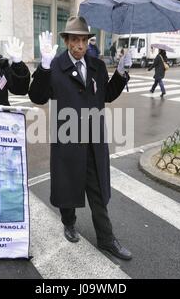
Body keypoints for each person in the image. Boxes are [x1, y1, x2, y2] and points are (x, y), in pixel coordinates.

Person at [29, 16, 133, 261]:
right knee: (68, 186)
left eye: (84, 40)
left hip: (94, 142)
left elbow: (107, 95)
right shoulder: (55, 66)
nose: (79, 45)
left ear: (88, 41)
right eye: (74, 39)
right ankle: (69, 222)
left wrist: (120, 73)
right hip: (68, 139)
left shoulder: (96, 66)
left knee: (97, 191)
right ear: (66, 41)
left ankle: (107, 240)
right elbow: (38, 96)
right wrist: (43, 68)